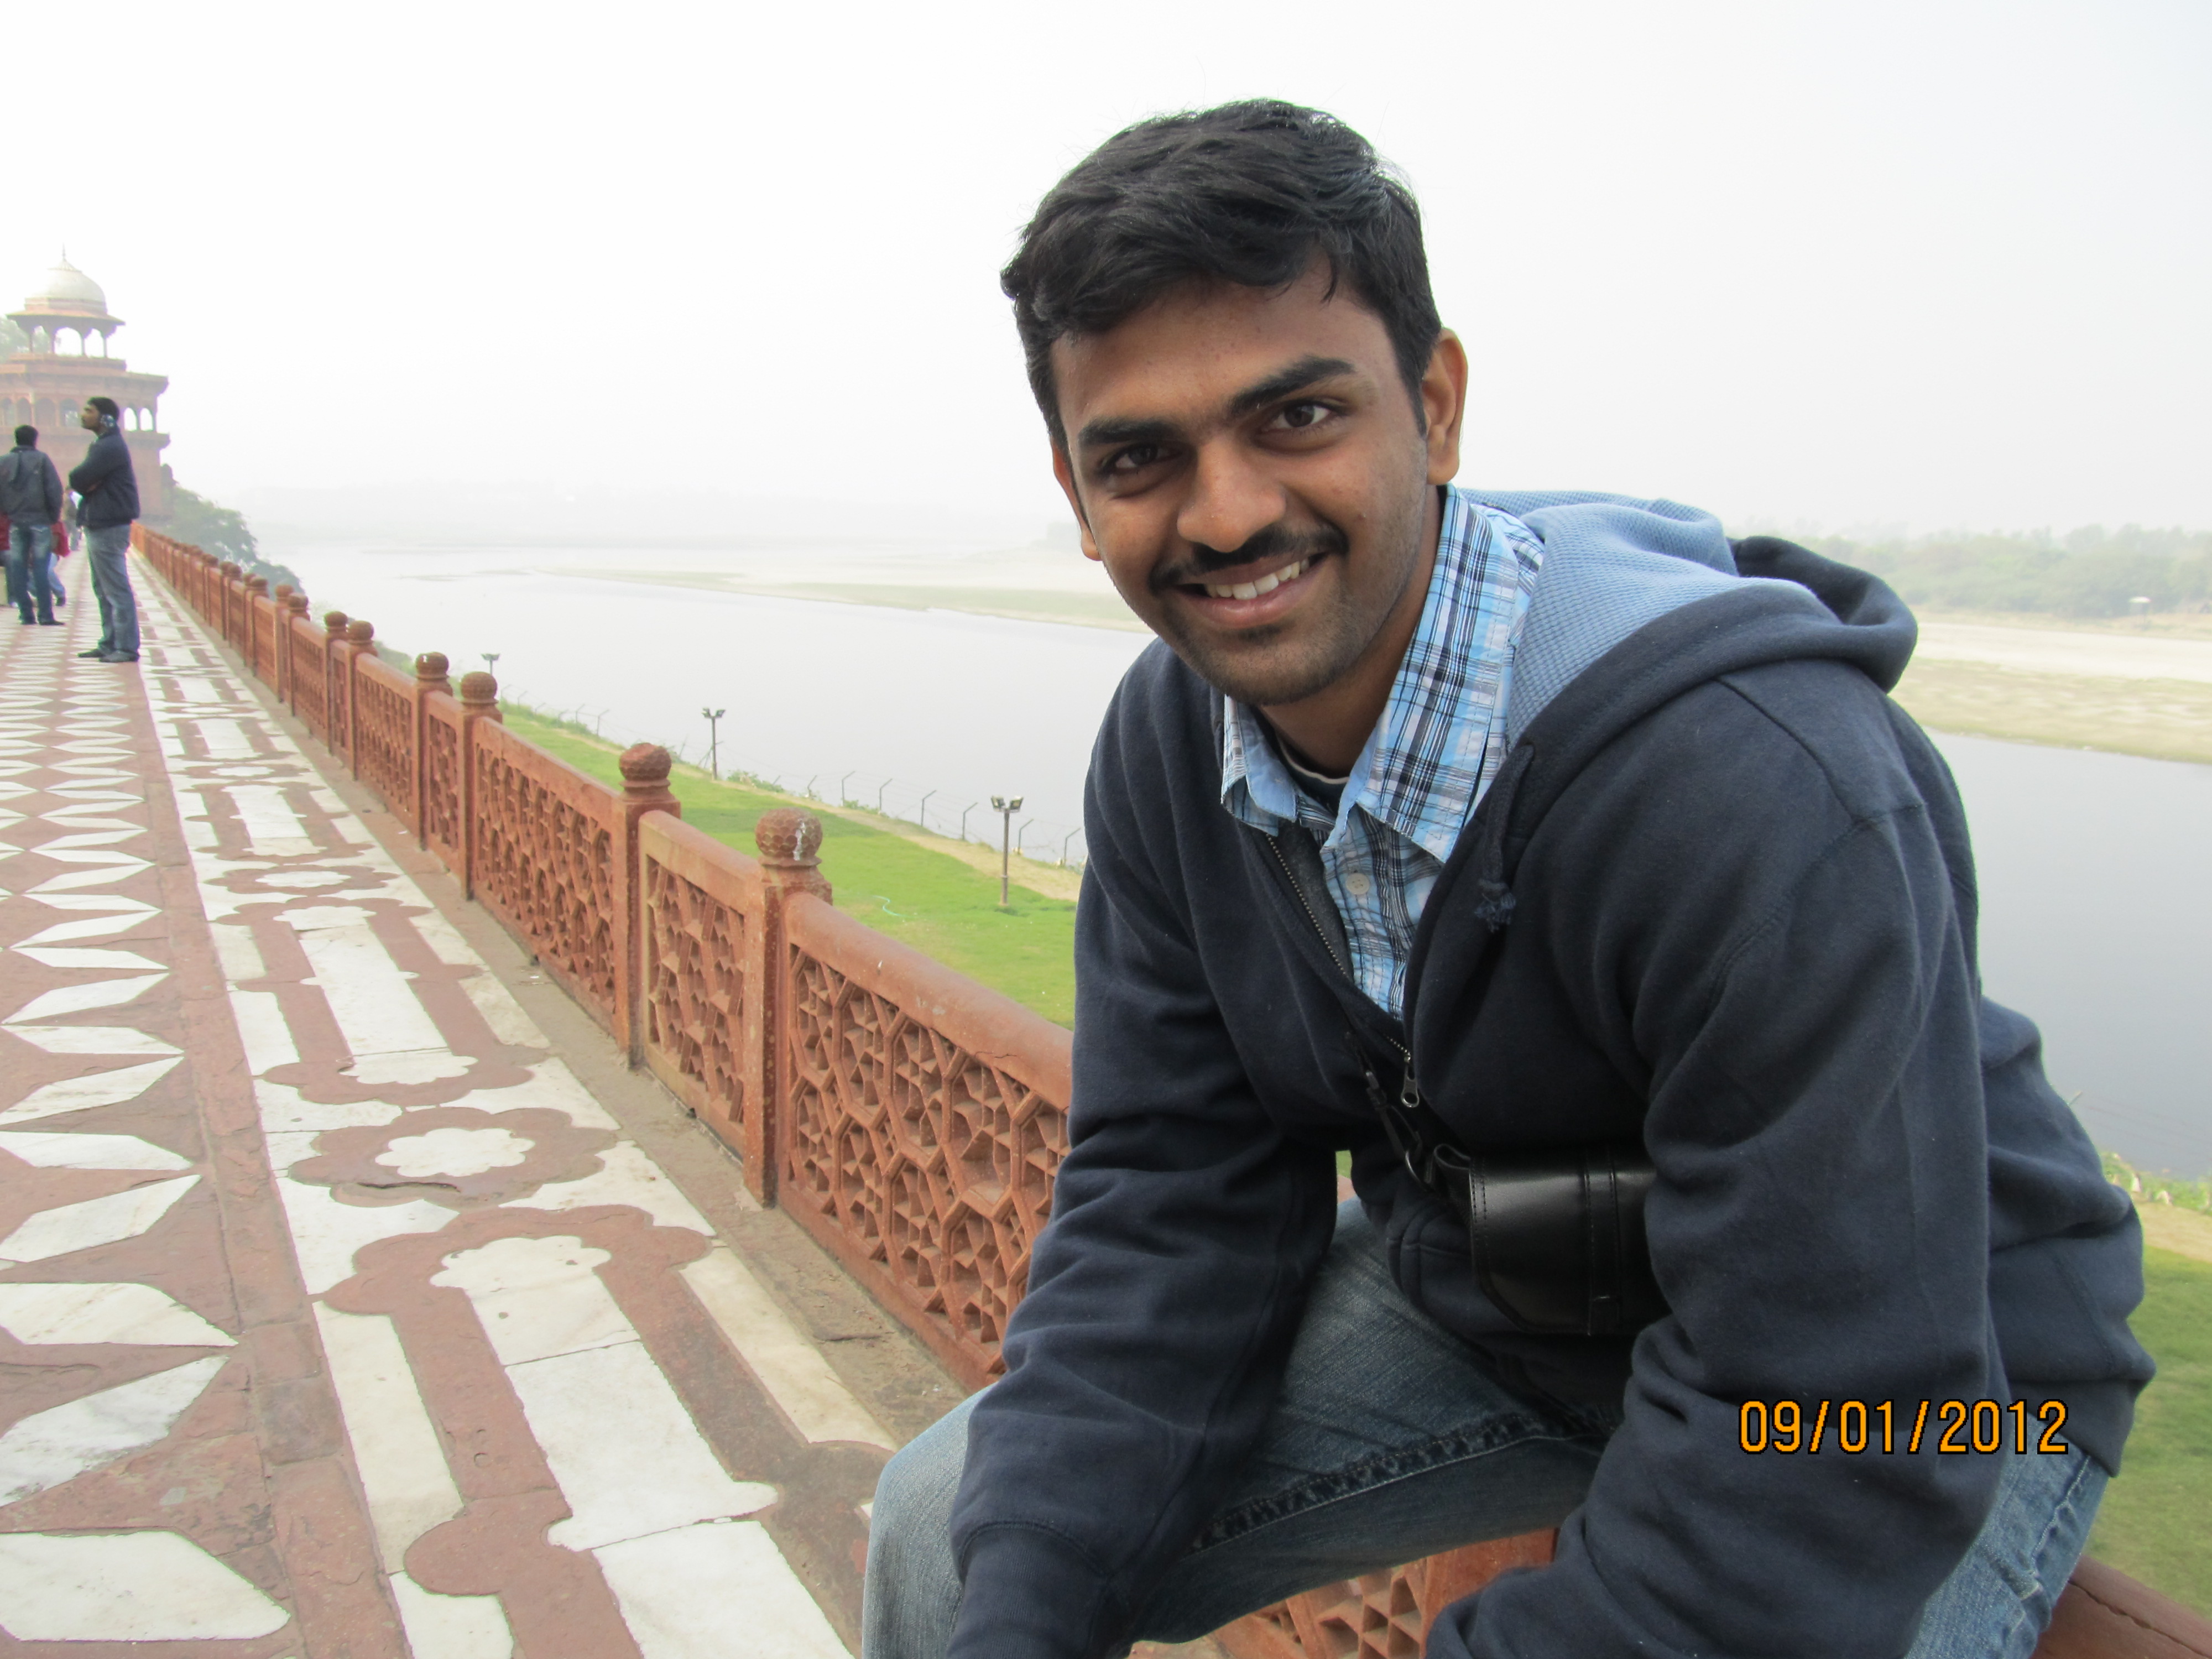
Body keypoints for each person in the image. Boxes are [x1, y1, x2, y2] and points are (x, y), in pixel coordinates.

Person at [863, 102, 2150, 1659]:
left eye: (1297, 417)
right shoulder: (1174, 745)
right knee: (956, 1538)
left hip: (1900, 1383)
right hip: (1517, 1305)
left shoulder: (1750, 786)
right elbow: (1174, 1203)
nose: (1228, 512)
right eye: (1141, 456)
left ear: (1434, 406)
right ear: (1078, 496)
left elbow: (1833, 1420)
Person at [69, 395, 140, 662]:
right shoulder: (104, 444)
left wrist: (86, 483)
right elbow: (82, 481)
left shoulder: (109, 447)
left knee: (115, 587)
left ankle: (126, 647)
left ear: (106, 418)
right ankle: (110, 642)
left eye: (89, 410)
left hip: (109, 523)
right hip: (102, 521)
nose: (83, 414)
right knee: (103, 587)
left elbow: (78, 478)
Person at [0, 425, 65, 627]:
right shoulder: (41, 460)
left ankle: (26, 614)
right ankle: (45, 615)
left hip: (16, 521)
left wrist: (6, 514)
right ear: (35, 440)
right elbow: (54, 490)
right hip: (39, 521)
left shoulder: (4, 461)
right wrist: (52, 516)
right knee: (40, 568)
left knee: (18, 568)